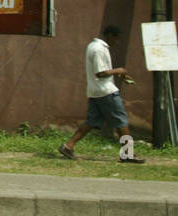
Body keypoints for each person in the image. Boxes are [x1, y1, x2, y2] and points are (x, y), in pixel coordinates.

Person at [60, 25, 144, 162]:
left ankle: (68, 146)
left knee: (91, 121)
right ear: (111, 35)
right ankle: (127, 154)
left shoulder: (92, 46)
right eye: (116, 39)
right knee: (122, 122)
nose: (117, 42)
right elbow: (100, 73)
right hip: (106, 91)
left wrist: (118, 74)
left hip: (95, 91)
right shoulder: (99, 49)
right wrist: (119, 71)